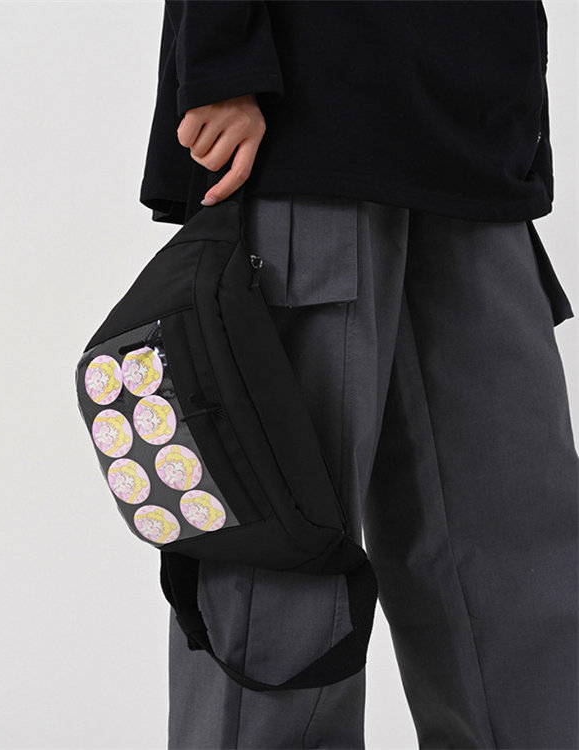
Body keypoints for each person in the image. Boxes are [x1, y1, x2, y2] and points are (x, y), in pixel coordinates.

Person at [139, 2, 578, 748]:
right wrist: (222, 64)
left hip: (476, 139)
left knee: (517, 556)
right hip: (302, 119)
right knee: (281, 559)